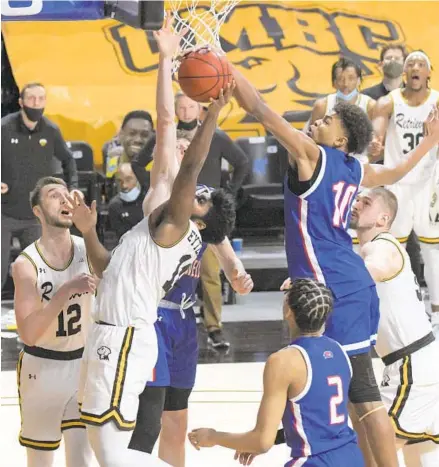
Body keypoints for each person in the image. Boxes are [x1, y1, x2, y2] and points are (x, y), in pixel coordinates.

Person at [232, 64, 439, 467]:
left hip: (336, 285)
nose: (317, 121)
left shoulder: (314, 155)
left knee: (363, 398)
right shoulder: (355, 168)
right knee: (350, 394)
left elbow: (260, 108)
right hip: (347, 281)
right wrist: (429, 141)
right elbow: (395, 172)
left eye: (326, 120)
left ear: (340, 138)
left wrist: (227, 68)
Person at [68, 17, 236, 467]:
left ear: (202, 219)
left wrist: (211, 113)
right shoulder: (150, 228)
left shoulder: (177, 228)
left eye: (200, 197)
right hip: (113, 329)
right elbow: (105, 269)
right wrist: (87, 231)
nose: (193, 192)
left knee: (111, 447)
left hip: (127, 335)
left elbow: (188, 163)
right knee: (93, 440)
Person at [188, 278, 365, 467]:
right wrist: (275, 437)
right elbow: (321, 420)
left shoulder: (283, 361)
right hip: (352, 457)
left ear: (289, 311)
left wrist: (214, 437)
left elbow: (261, 442)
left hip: (314, 461)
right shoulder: (339, 350)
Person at [351, 187, 439, 466]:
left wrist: (312, 285)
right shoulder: (369, 248)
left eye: (367, 202)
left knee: (369, 452)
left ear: (383, 218)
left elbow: (366, 273)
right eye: (358, 199)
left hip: (411, 368)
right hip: (417, 363)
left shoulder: (383, 246)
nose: (358, 203)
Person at [11, 176, 95, 467]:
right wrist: (65, 292)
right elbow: (30, 333)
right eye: (53, 195)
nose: (63, 200)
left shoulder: (88, 248)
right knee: (40, 461)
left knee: (82, 460)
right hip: (41, 369)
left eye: (66, 194)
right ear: (37, 211)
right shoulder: (25, 264)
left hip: (82, 365)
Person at [174, 91, 250, 348]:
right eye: (180, 106)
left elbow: (242, 161)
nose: (185, 111)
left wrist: (227, 195)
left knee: (210, 274)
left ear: (199, 109)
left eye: (190, 105)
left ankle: (214, 327)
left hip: (204, 217)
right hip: (175, 219)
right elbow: (141, 164)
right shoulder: (167, 141)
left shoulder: (214, 137)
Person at [372, 50, 439, 340]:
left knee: (432, 252)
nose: (414, 67)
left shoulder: (437, 102)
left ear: (428, 72)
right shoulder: (387, 103)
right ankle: (398, 309)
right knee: (392, 249)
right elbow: (376, 136)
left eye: (420, 64)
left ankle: (436, 314)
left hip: (429, 184)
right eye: (410, 63)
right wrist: (375, 143)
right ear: (404, 73)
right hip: (397, 183)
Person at [1, 82, 78, 291]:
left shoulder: (51, 130)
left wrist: (73, 189)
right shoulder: (4, 127)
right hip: (4, 213)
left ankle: (34, 317)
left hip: (35, 215)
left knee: (35, 273)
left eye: (41, 99)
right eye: (31, 99)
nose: (36, 103)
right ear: (21, 102)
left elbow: (68, 160)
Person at [105, 110, 154, 178]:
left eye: (144, 135)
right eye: (132, 133)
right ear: (121, 135)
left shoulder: (158, 168)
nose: (138, 140)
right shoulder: (113, 164)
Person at [108, 163, 146, 240]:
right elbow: (121, 235)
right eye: (119, 181)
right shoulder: (114, 206)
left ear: (137, 178)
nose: (124, 185)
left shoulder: (148, 200)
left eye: (128, 179)